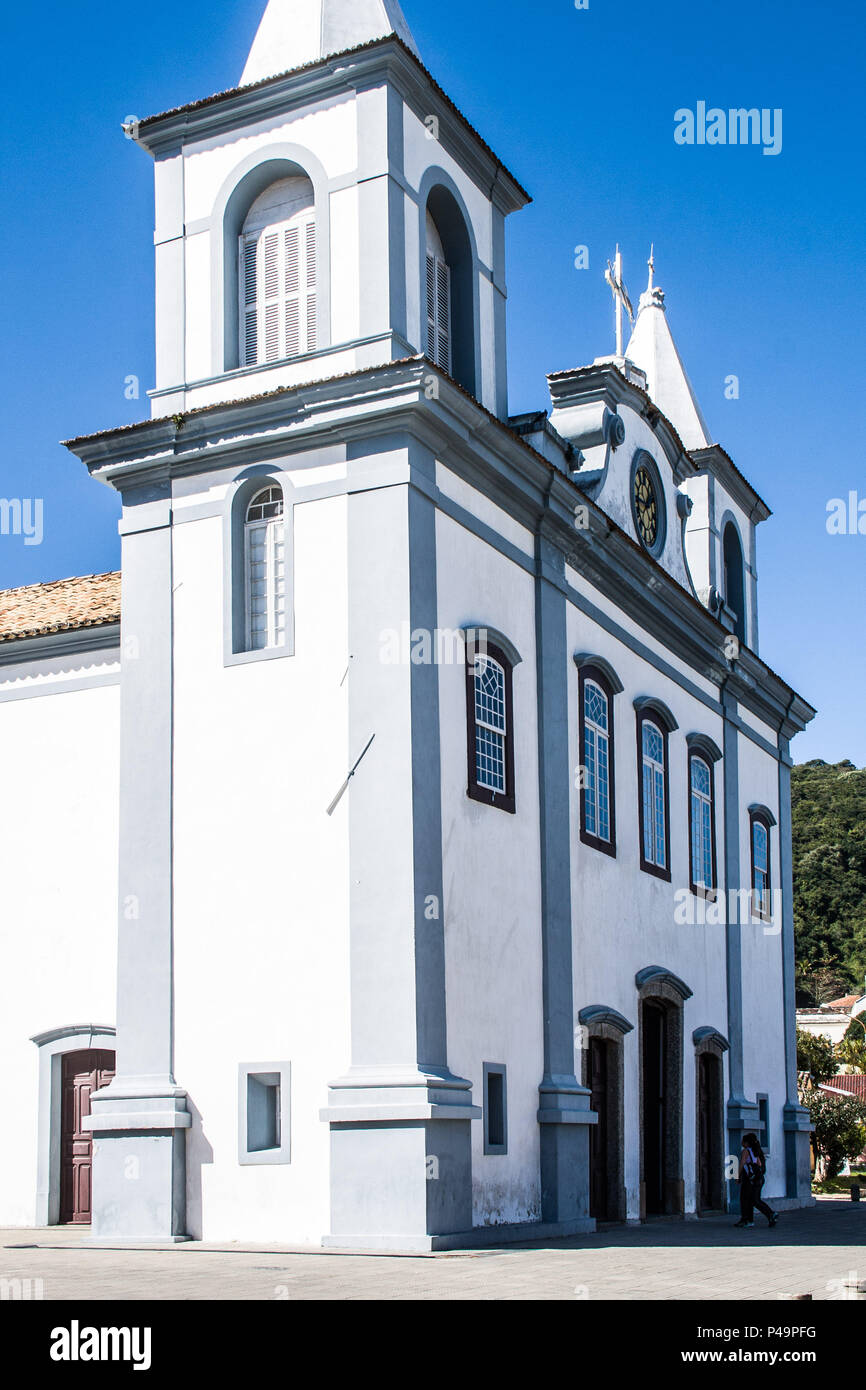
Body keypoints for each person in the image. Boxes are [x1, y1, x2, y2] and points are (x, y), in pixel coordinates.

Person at [735, 1133, 778, 1229]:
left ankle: (767, 1214)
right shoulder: (755, 1151)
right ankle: (750, 1219)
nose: (741, 1143)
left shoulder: (745, 1151)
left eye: (743, 1141)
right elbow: (759, 1164)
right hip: (758, 1179)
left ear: (746, 1143)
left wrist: (737, 1177)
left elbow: (741, 1164)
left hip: (749, 1180)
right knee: (753, 1199)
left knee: (747, 1199)